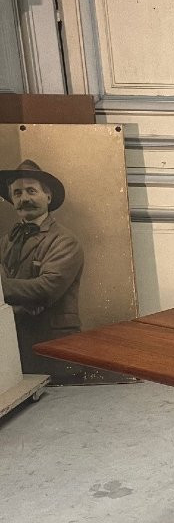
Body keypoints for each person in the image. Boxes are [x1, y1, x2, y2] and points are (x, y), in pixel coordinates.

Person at [0, 159, 84, 377]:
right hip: (13, 345)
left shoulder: (65, 241)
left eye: (31, 191)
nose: (24, 199)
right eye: (17, 193)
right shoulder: (5, 242)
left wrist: (1, 287)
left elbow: (45, 289)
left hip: (54, 347)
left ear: (48, 197)